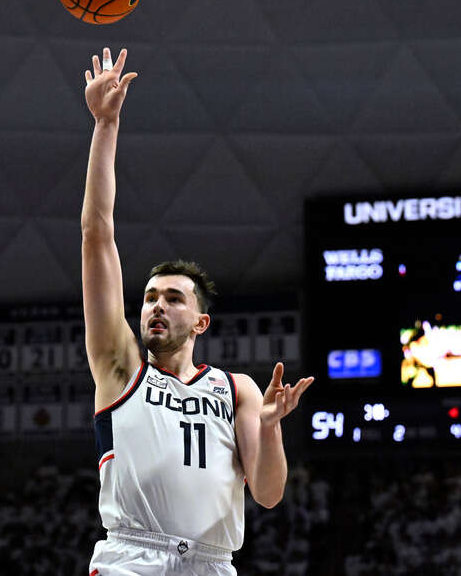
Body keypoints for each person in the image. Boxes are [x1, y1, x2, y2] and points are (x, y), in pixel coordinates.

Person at [79, 47, 314, 575]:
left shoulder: (238, 390)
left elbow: (271, 495)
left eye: (172, 297)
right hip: (131, 558)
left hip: (212, 564)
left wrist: (272, 428)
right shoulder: (121, 369)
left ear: (201, 322)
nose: (155, 306)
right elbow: (97, 236)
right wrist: (105, 125)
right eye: (148, 297)